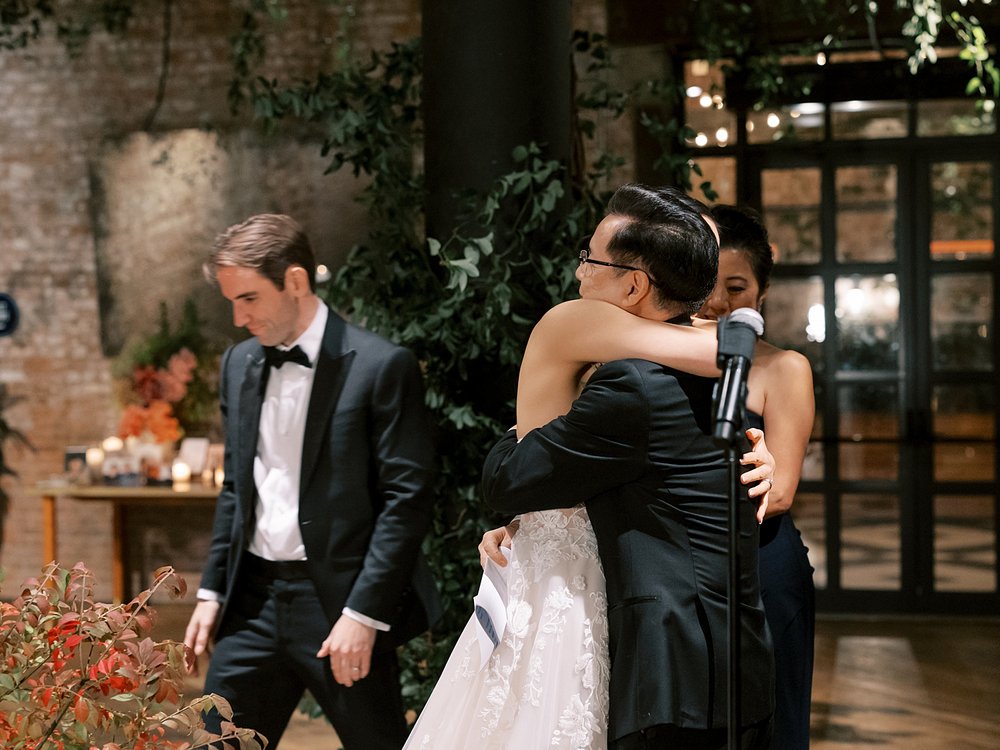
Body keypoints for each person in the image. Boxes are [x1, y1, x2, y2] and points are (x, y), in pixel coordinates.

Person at [406, 185, 774, 750]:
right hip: (717, 657)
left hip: (677, 671)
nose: (579, 273)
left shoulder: (633, 385)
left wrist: (524, 437)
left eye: (590, 258)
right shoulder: (699, 369)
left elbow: (509, 480)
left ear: (634, 284)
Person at [182, 213, 440, 749]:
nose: (238, 317)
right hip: (250, 602)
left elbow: (406, 501)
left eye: (249, 299)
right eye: (232, 301)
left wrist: (363, 614)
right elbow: (237, 488)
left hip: (338, 604)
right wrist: (211, 591)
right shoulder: (238, 364)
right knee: (214, 746)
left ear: (295, 281)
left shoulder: (380, 366)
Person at [701, 204, 816, 750]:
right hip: (682, 571)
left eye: (737, 287)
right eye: (707, 283)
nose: (719, 301)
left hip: (762, 567)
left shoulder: (783, 367)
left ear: (762, 293)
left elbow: (782, 491)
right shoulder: (652, 363)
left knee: (770, 726)